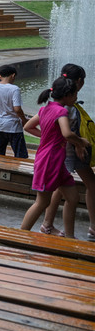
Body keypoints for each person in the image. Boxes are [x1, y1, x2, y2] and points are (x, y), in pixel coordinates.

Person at [19, 76, 88, 238]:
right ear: (67, 95)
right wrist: (80, 142)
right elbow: (67, 133)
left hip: (57, 162)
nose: (76, 98)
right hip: (50, 161)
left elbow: (28, 126)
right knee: (42, 202)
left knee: (73, 197)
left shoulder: (45, 109)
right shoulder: (61, 111)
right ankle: (19, 237)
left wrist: (48, 137)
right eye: (74, 95)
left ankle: (70, 238)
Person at [41, 64, 95, 240]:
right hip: (71, 153)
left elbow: (33, 124)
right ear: (79, 81)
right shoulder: (67, 106)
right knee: (90, 186)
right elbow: (67, 133)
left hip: (63, 153)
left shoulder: (58, 103)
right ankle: (88, 229)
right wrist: (79, 144)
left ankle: (47, 225)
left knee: (61, 187)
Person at [0, 66, 28, 158]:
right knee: (20, 154)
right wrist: (24, 120)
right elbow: (17, 109)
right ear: (13, 75)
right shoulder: (15, 89)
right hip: (12, 125)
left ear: (0, 75)